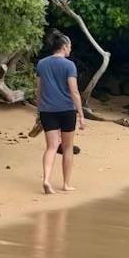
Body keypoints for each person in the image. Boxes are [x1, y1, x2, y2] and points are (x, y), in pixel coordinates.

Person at [35, 30, 85, 194]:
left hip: (47, 110)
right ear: (64, 46)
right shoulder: (69, 65)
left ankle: (46, 180)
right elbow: (74, 91)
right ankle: (66, 184)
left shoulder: (42, 63)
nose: (71, 49)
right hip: (66, 110)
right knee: (67, 147)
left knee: (51, 147)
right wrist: (81, 115)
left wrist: (38, 112)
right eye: (70, 46)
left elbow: (39, 90)